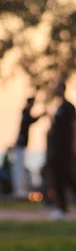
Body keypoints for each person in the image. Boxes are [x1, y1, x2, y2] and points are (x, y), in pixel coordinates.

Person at [46, 80, 76, 219]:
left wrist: (73, 145)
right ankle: (61, 208)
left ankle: (65, 206)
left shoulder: (69, 107)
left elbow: (73, 126)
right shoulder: (57, 107)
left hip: (65, 148)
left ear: (62, 89)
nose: (55, 90)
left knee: (67, 176)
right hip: (56, 149)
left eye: (57, 88)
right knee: (58, 177)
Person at [13, 96, 44, 198]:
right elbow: (31, 120)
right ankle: (19, 190)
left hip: (22, 144)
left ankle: (21, 189)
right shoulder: (25, 113)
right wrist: (41, 115)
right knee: (19, 168)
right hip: (20, 145)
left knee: (20, 168)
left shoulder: (25, 113)